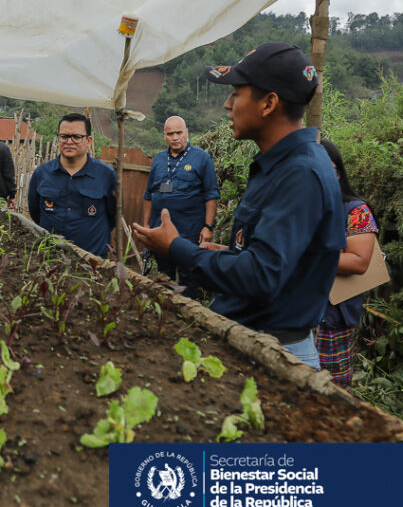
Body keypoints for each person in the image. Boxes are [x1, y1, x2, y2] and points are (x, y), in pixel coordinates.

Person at [132, 42, 345, 369]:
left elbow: (260, 277)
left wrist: (177, 248)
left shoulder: (300, 173)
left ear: (268, 103)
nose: (227, 105)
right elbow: (276, 263)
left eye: (236, 94)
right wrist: (229, 255)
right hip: (255, 341)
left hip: (271, 354)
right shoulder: (281, 165)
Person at [315, 140, 379, 387]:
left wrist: (308, 256)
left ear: (338, 173)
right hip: (295, 308)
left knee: (333, 387)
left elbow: (359, 261)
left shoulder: (355, 210)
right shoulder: (299, 207)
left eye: (327, 168)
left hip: (332, 314)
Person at [142, 115, 219, 292]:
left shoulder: (202, 158)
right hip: (160, 231)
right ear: (164, 136)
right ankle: (166, 315)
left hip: (189, 232)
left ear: (187, 132)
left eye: (179, 132)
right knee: (163, 276)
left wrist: (208, 226)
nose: (175, 137)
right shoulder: (159, 159)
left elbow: (211, 195)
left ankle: (187, 311)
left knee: (188, 278)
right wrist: (147, 226)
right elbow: (148, 195)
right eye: (170, 134)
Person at [28, 113, 116, 258]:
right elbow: (36, 213)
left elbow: (114, 217)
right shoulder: (42, 174)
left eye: (76, 137)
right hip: (50, 260)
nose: (69, 141)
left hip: (92, 263)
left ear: (89, 140)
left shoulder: (106, 175)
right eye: (64, 136)